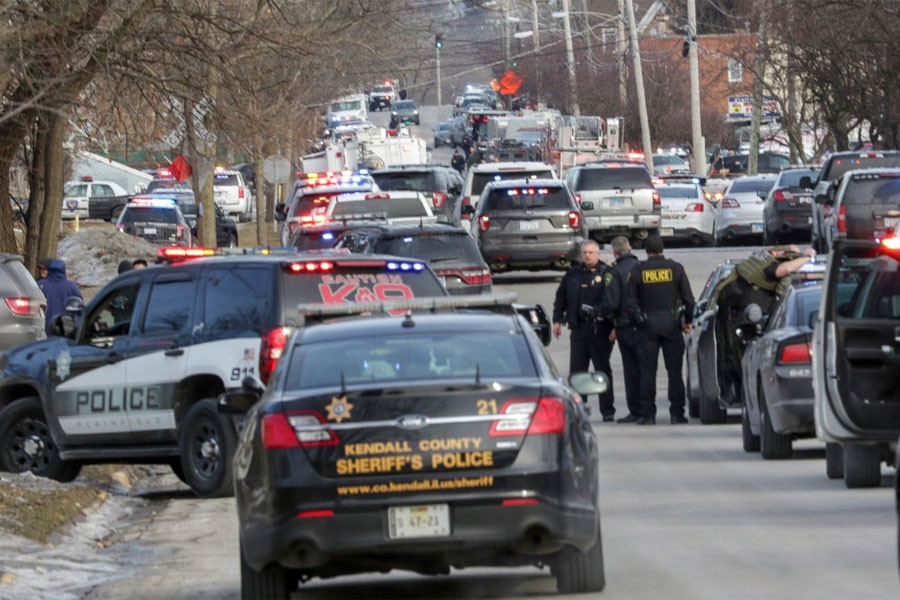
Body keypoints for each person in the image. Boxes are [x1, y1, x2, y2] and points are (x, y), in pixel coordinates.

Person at [625, 235, 694, 425]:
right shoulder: (675, 268)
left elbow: (630, 303)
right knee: (674, 372)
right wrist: (687, 321)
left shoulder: (638, 271)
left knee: (647, 372)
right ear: (663, 248)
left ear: (646, 251)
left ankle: (648, 415)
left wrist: (637, 322)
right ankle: (677, 413)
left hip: (647, 326)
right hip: (672, 325)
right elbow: (689, 300)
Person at [552, 240, 617, 420]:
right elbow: (561, 298)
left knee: (601, 371)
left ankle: (607, 411)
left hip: (600, 330)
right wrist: (557, 319)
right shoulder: (572, 274)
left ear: (597, 254)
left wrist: (615, 328)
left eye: (591, 252)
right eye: (585, 252)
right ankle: (579, 410)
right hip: (579, 329)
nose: (587, 255)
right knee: (578, 371)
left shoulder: (607, 274)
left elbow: (614, 302)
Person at [607, 236, 643, 423]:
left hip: (625, 326)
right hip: (644, 325)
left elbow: (612, 302)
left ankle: (636, 410)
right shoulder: (641, 267)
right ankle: (647, 409)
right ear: (631, 248)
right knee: (646, 368)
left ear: (614, 252)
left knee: (631, 370)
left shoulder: (614, 272)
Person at [38, 258, 83, 336]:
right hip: (66, 327)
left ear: (50, 270)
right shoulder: (72, 286)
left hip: (44, 328)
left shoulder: (41, 285)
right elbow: (80, 307)